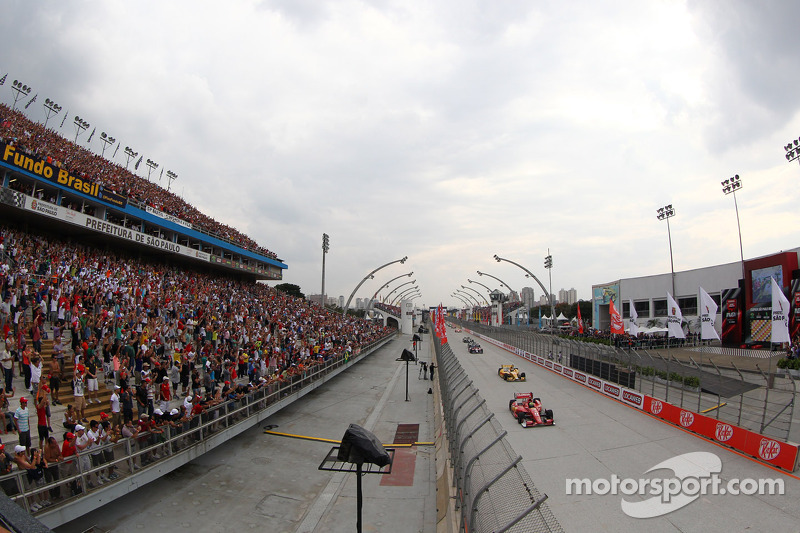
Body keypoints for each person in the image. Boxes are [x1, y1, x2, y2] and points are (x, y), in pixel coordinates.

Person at [43, 436, 63, 501]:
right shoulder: (47, 448)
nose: (55, 444)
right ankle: (52, 495)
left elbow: (59, 453)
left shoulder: (56, 446)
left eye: (55, 443)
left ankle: (58, 494)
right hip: (48, 467)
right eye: (53, 443)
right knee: (49, 481)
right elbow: (48, 458)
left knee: (57, 479)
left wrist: (60, 457)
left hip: (55, 466)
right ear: (50, 444)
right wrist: (56, 460)